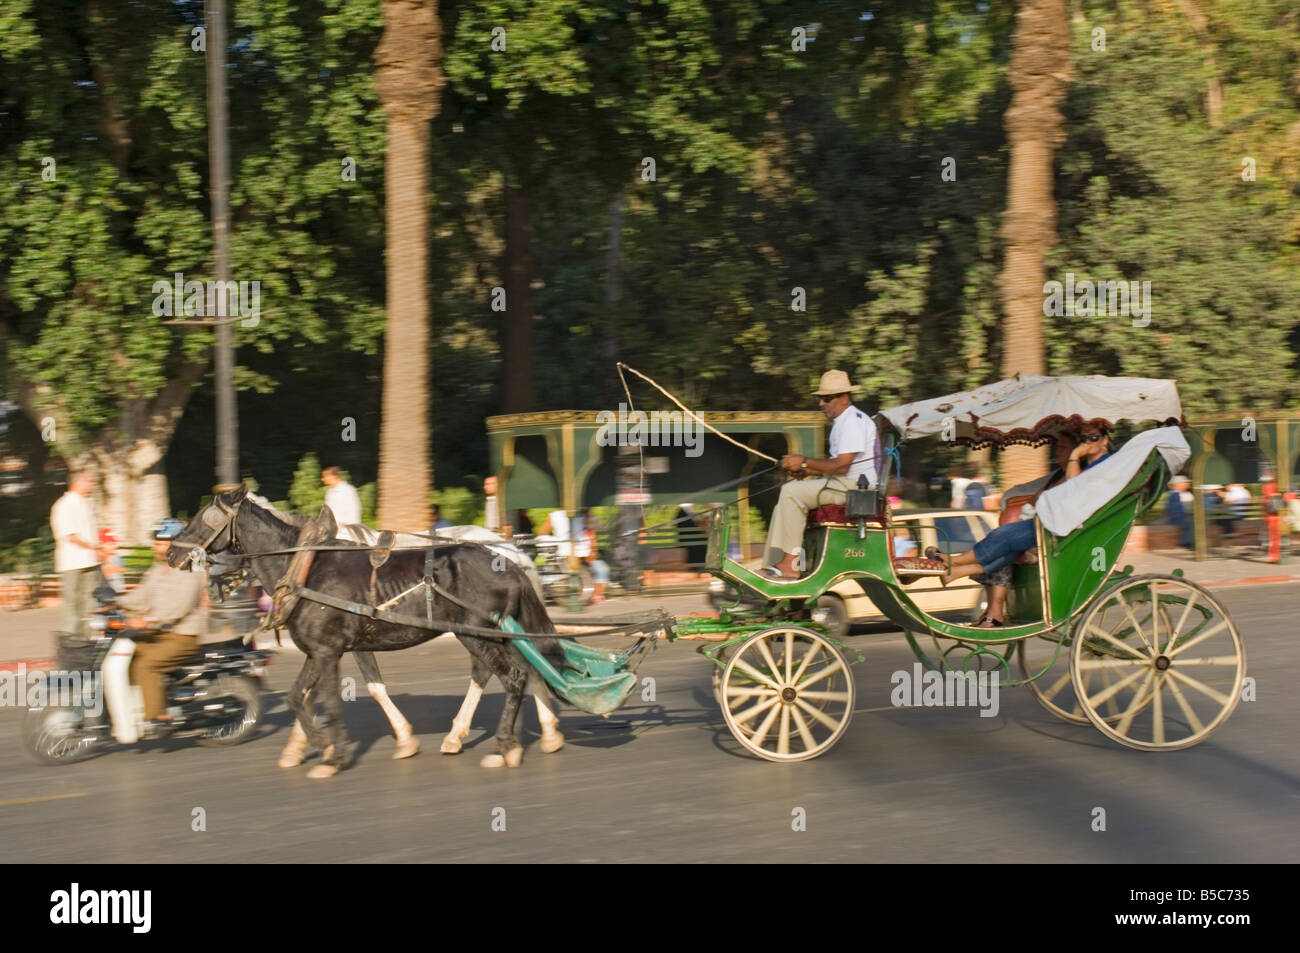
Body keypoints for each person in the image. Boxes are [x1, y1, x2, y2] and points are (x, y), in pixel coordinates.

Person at [938, 422, 1114, 610]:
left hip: (1068, 528)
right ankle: (959, 571)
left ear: (1105, 440)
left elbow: (1072, 490)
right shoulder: (1084, 465)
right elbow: (1046, 494)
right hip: (1053, 521)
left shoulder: (1105, 464)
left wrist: (1075, 454)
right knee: (1009, 545)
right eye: (1083, 438)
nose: (1087, 442)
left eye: (1093, 437)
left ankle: (953, 562)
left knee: (1003, 535)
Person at [763, 370, 878, 579]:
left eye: (826, 399)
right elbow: (837, 466)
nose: (821, 404)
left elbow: (842, 466)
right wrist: (805, 470)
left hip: (856, 489)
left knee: (790, 492)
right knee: (784, 501)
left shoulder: (852, 421)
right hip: (845, 483)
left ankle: (790, 564)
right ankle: (775, 563)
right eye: (820, 398)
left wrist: (804, 462)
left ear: (844, 397)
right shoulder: (843, 421)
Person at [121, 522, 207, 736]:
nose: (155, 548)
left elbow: (181, 605)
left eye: (160, 543)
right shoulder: (158, 569)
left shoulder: (190, 567)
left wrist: (147, 620)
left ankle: (157, 717)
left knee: (145, 666)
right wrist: (115, 603)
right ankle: (142, 704)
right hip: (162, 632)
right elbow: (142, 594)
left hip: (183, 635)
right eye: (156, 543)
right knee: (127, 653)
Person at [51, 471, 101, 637]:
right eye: (88, 481)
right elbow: (70, 535)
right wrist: (93, 547)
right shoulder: (64, 505)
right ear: (77, 482)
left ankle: (88, 638)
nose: (91, 485)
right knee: (73, 604)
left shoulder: (87, 504)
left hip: (90, 560)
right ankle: (71, 640)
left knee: (90, 601)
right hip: (72, 562)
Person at [1163, 474, 1193, 549]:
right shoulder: (1174, 495)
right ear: (1178, 484)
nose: (1187, 484)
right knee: (1190, 525)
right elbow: (1175, 510)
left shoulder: (1184, 494)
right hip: (1176, 518)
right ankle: (1185, 542)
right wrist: (1184, 517)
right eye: (1184, 483)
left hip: (1181, 517)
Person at [1261, 469, 1281, 563]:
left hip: (1271, 515)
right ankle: (1275, 556)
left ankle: (1273, 556)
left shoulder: (1266, 486)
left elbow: (1265, 502)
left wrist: (1264, 515)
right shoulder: (1280, 486)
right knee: (1275, 537)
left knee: (1273, 537)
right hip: (1278, 515)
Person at [98, 529, 127, 595]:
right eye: (109, 544)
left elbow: (121, 569)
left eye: (114, 544)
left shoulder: (117, 557)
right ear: (101, 545)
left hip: (116, 590)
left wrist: (109, 564)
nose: (113, 546)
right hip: (104, 590)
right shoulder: (99, 558)